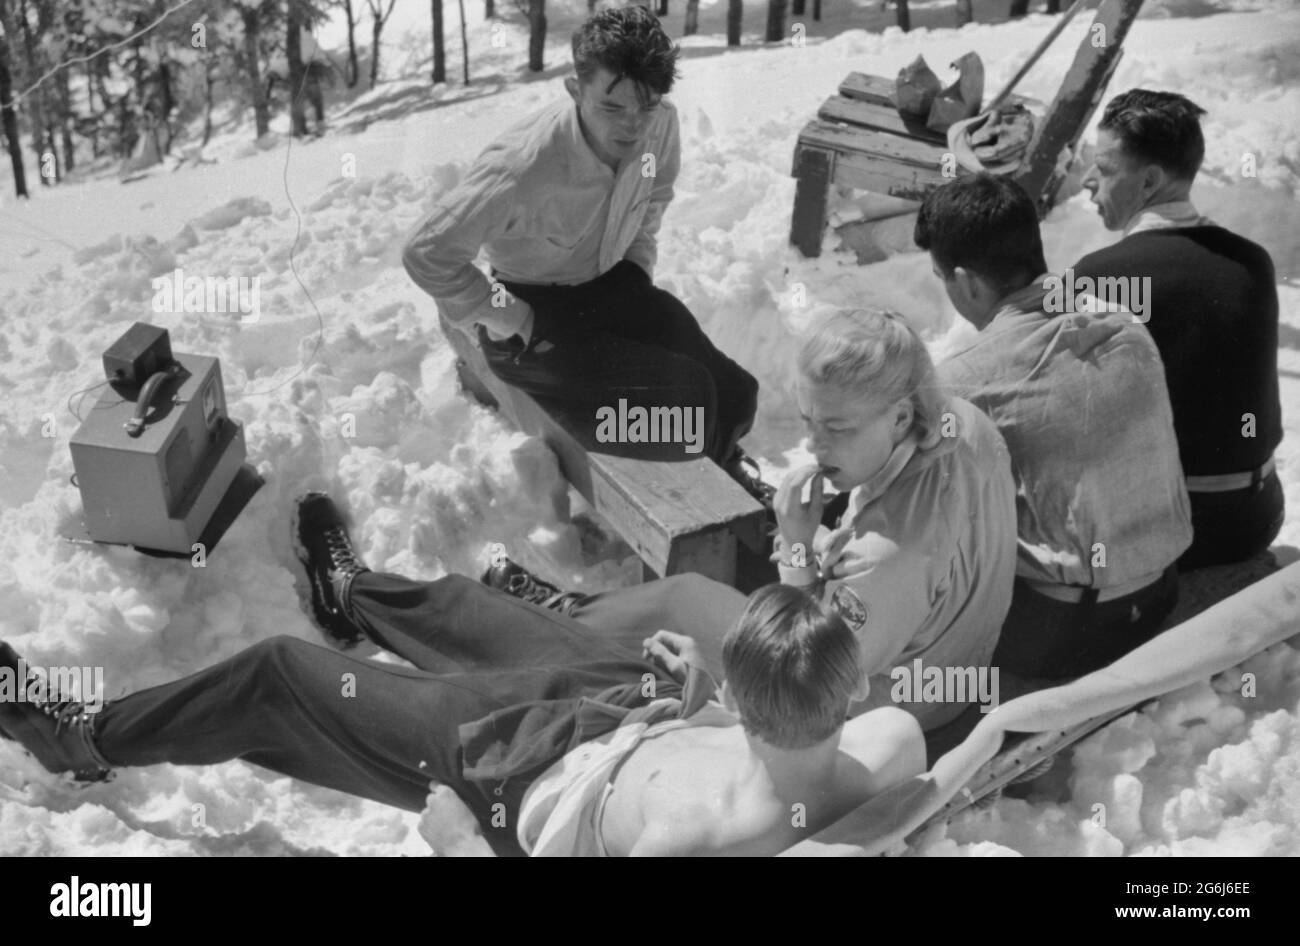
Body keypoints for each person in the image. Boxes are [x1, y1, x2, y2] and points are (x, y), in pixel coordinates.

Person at [0, 497, 924, 857]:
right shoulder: (887, 740)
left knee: (282, 675)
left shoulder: (686, 843)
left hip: (522, 774)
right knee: (480, 615)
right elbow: (791, 751)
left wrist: (459, 842)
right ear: (846, 694)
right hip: (636, 716)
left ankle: (74, 738)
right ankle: (355, 593)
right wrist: (703, 704)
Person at [486, 308, 1019, 729]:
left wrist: (795, 546)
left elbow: (811, 677)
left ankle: (561, 621)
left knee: (682, 599)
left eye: (838, 427)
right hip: (947, 670)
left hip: (872, 716)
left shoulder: (883, 556)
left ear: (901, 415)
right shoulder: (958, 418)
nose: (813, 443)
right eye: (809, 421)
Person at [401, 7, 763, 491]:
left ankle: (720, 467)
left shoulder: (660, 123)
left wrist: (636, 265)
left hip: (609, 288)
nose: (633, 126)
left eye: (646, 105)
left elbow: (653, 195)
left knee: (738, 394)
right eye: (612, 108)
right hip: (532, 320)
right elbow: (426, 251)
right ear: (575, 90)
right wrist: (511, 316)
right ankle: (707, 501)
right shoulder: (522, 168)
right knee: (686, 411)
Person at [913, 173, 1193, 681]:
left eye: (943, 279)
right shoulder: (1123, 322)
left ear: (967, 280)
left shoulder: (962, 380)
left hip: (1062, 633)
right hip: (1159, 594)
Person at [1072, 89, 1284, 568]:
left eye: (1103, 170)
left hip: (1174, 529)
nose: (1087, 181)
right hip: (1257, 514)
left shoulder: (1100, 277)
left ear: (1149, 181)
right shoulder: (1253, 261)